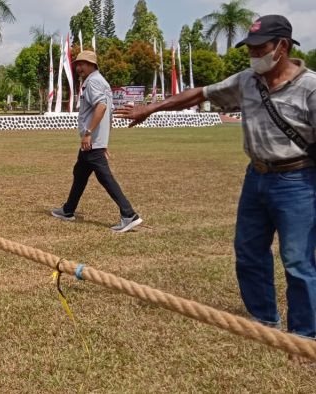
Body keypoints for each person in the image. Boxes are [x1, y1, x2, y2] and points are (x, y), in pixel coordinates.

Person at [115, 15, 316, 354]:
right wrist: (151, 108)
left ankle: (305, 336)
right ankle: (263, 321)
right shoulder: (248, 80)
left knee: (297, 260)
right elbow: (199, 93)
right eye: (250, 48)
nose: (253, 54)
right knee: (248, 251)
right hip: (256, 177)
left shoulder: (310, 87)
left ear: (282, 47)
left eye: (259, 48)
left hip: (297, 180)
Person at [50, 50, 143, 233]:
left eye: (82, 63)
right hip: (95, 141)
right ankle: (68, 210)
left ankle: (129, 214)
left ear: (92, 65)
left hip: (91, 141)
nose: (79, 67)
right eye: (77, 64)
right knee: (80, 173)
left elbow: (101, 107)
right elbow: (108, 111)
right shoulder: (102, 83)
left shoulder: (93, 82)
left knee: (105, 177)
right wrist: (104, 140)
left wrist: (89, 133)